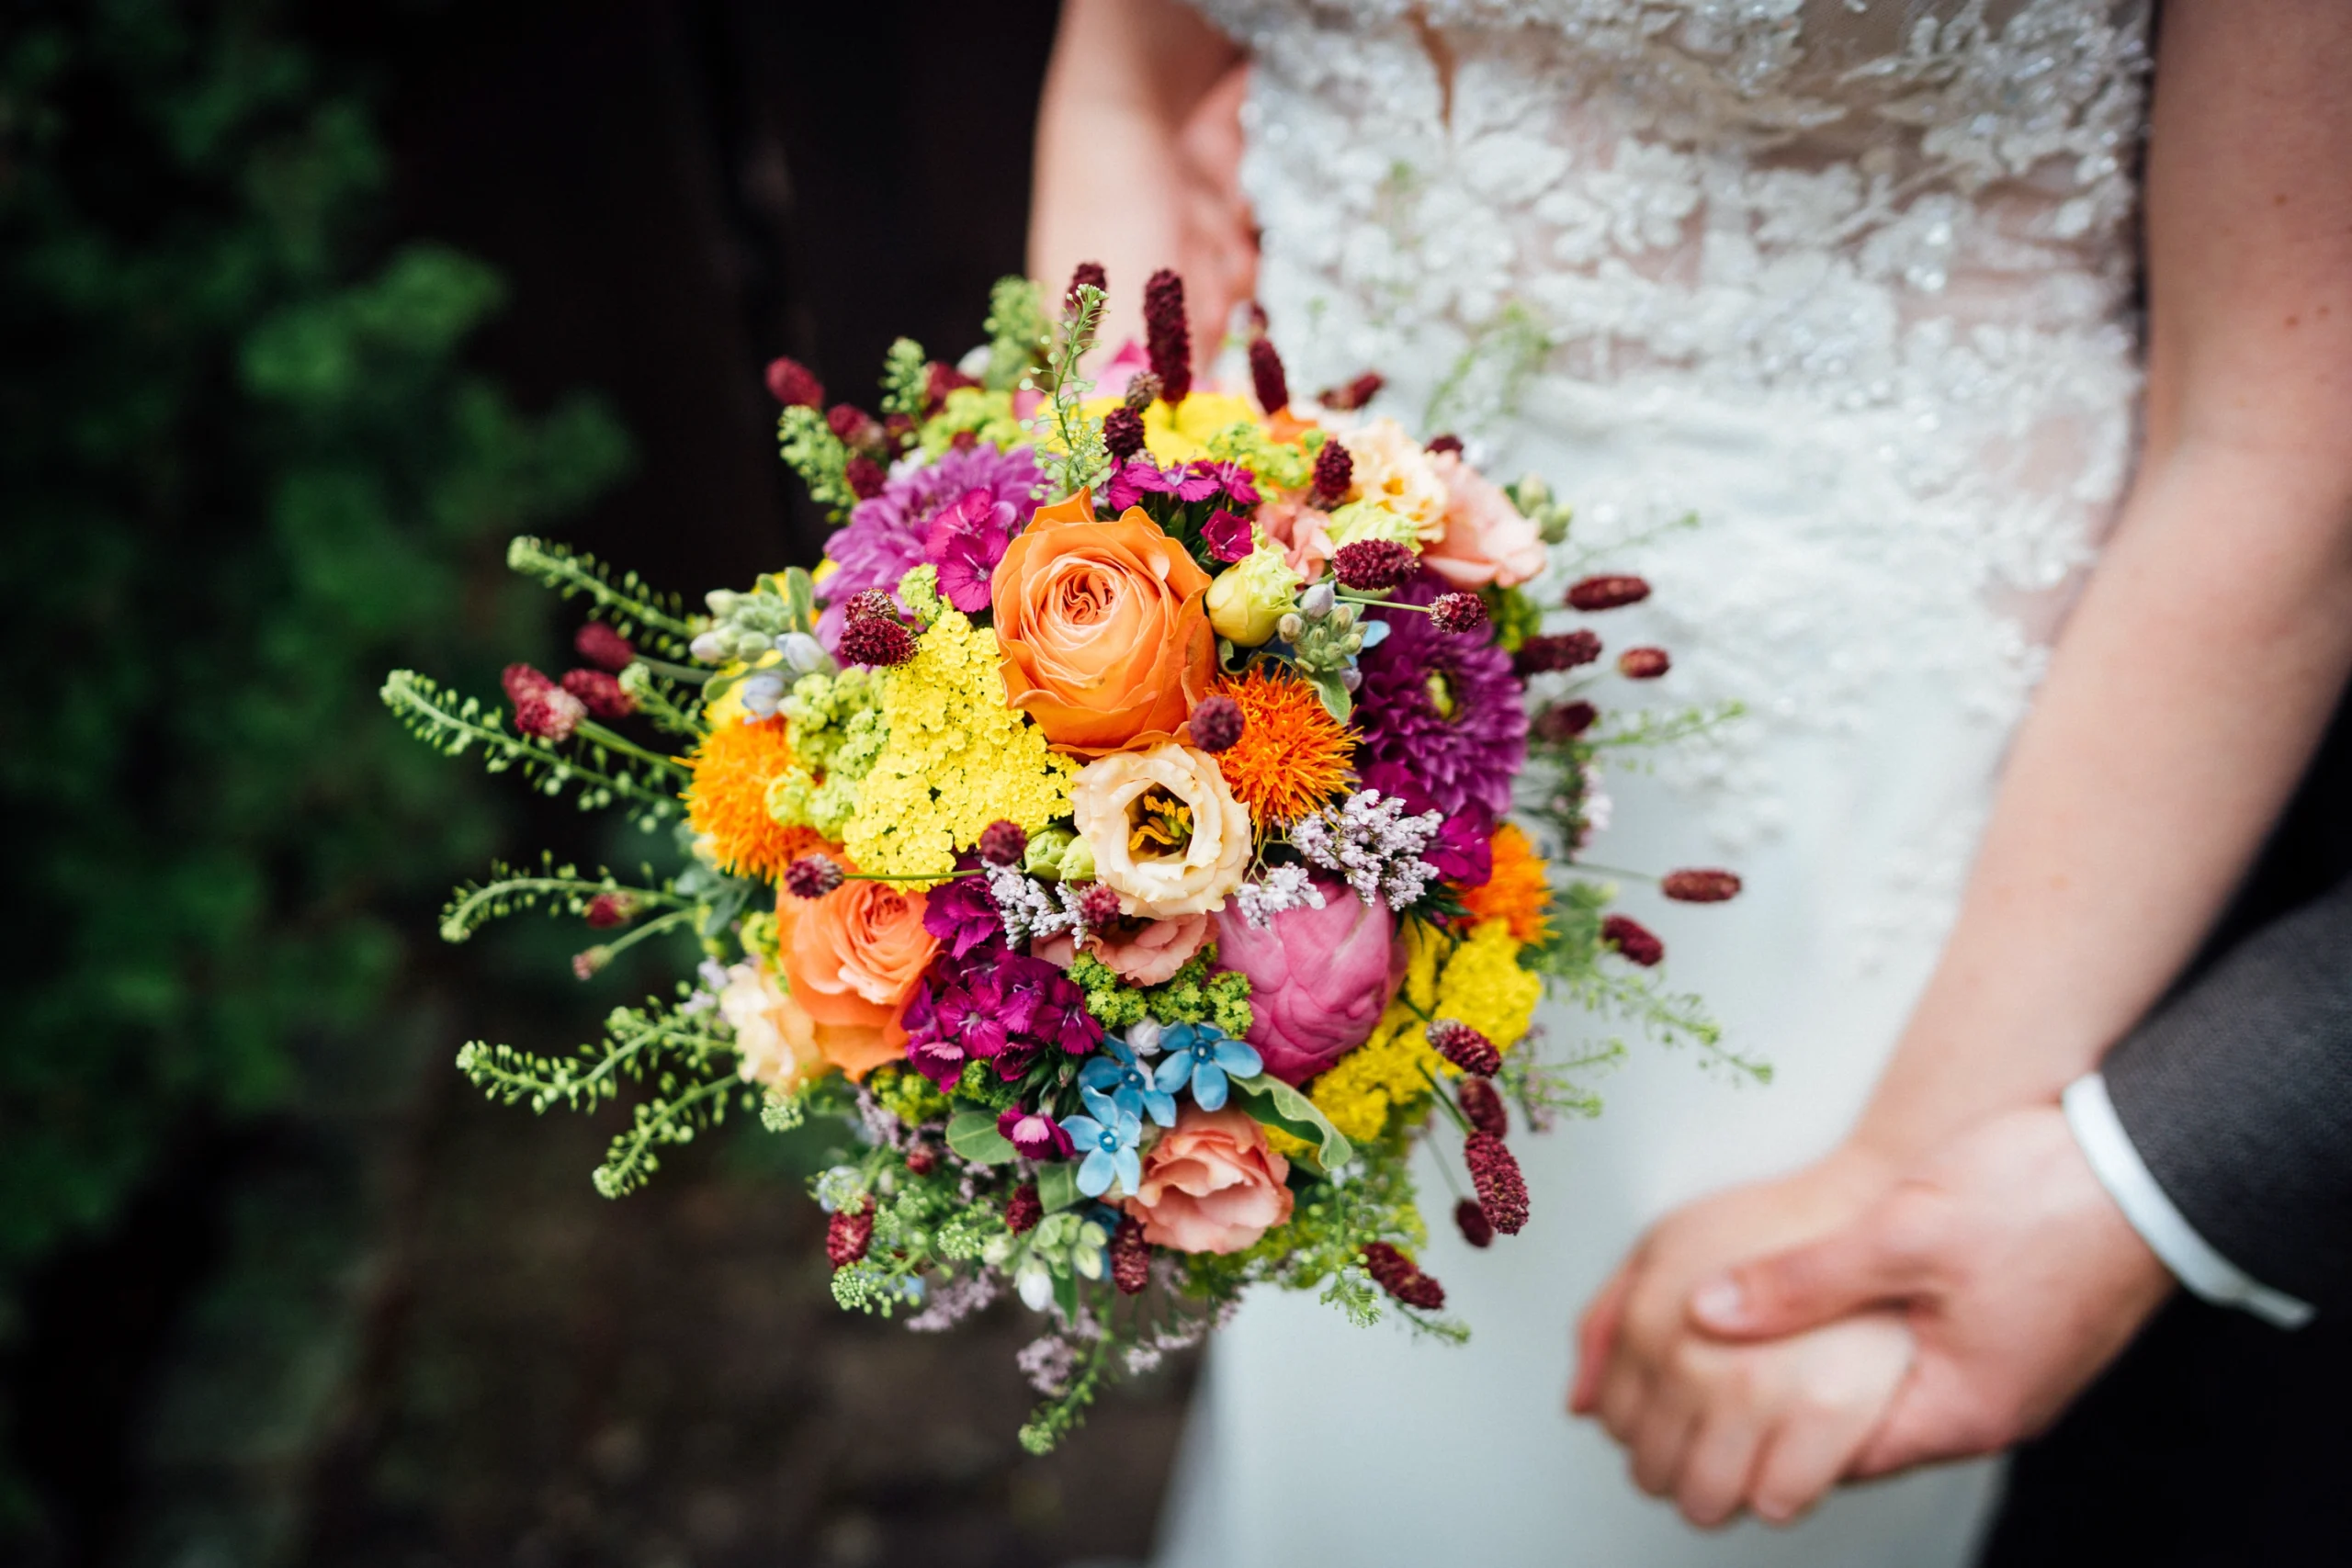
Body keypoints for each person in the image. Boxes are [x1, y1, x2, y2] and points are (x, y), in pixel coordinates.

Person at [1029, 2, 2352, 1563]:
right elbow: (1127, 79)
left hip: (1859, 812)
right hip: (1301, 744)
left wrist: (1906, 1178)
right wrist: (1107, 631)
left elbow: (2278, 439)